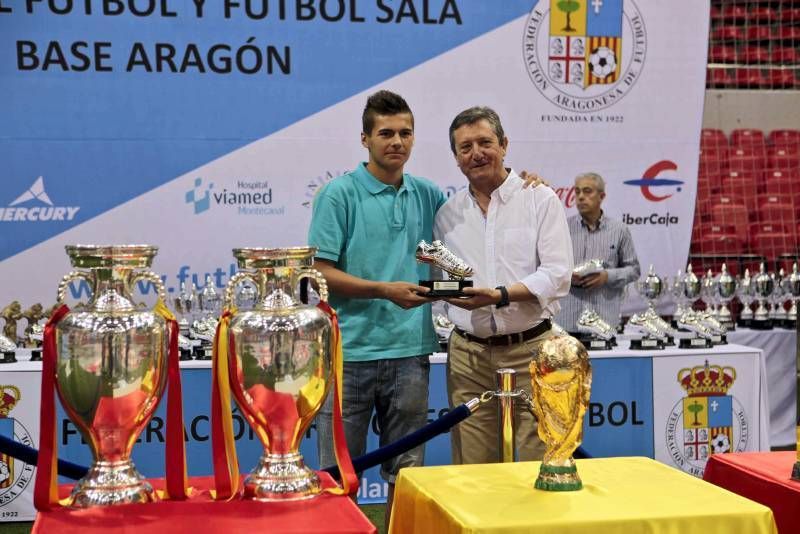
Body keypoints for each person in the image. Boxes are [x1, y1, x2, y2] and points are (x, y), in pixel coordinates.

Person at [307, 90, 443, 521]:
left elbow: (451, 256)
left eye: (405, 133)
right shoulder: (338, 195)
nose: (396, 141)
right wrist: (384, 290)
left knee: (409, 476)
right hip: (350, 354)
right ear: (364, 138)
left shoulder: (429, 195)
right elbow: (320, 274)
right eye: (385, 133)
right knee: (336, 476)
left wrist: (517, 181)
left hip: (410, 353)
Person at [433, 106, 573, 465]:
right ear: (456, 158)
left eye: (485, 142)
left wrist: (501, 295)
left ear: (505, 145)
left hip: (532, 350)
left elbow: (558, 274)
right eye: (465, 147)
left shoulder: (539, 199)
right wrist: (451, 297)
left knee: (537, 463)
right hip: (468, 358)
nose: (476, 153)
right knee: (473, 469)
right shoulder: (446, 214)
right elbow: (444, 281)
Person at [555, 172, 640, 334]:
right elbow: (547, 268)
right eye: (577, 191)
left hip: (604, 323)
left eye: (587, 191)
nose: (580, 197)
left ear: (602, 196)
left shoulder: (619, 230)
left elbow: (634, 270)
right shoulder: (562, 228)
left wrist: (607, 276)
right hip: (567, 323)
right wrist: (566, 276)